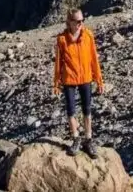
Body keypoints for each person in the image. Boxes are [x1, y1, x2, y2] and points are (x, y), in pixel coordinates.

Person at [52, 8, 104, 157]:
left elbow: (94, 58)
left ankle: (88, 139)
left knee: (87, 109)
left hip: (86, 77)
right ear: (69, 22)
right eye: (78, 21)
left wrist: (99, 80)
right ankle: (76, 138)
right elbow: (58, 63)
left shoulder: (88, 35)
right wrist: (56, 83)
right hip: (69, 79)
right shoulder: (62, 39)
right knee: (70, 110)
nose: (81, 23)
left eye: (82, 20)